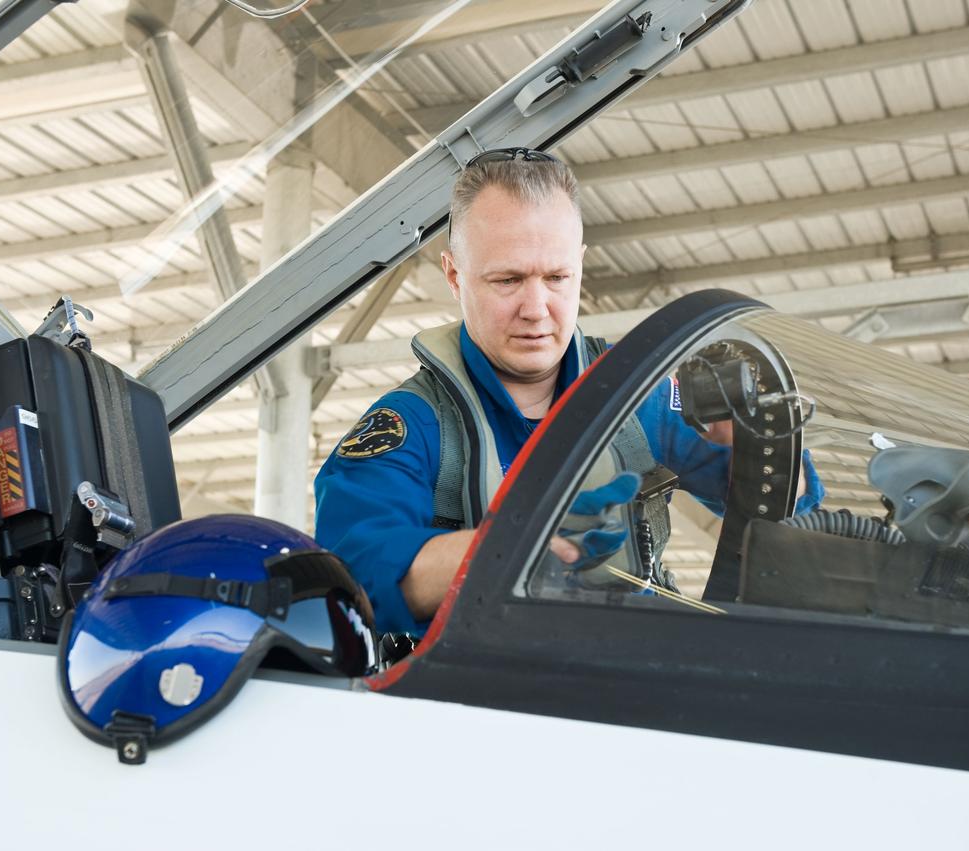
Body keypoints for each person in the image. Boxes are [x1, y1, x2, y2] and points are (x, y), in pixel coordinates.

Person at [315, 149, 823, 637]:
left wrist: (752, 440)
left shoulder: (636, 393)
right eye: (508, 279)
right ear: (454, 274)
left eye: (557, 277)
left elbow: (784, 507)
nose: (537, 308)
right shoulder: (412, 426)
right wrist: (518, 547)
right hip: (475, 699)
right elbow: (353, 577)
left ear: (580, 263)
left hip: (633, 685)